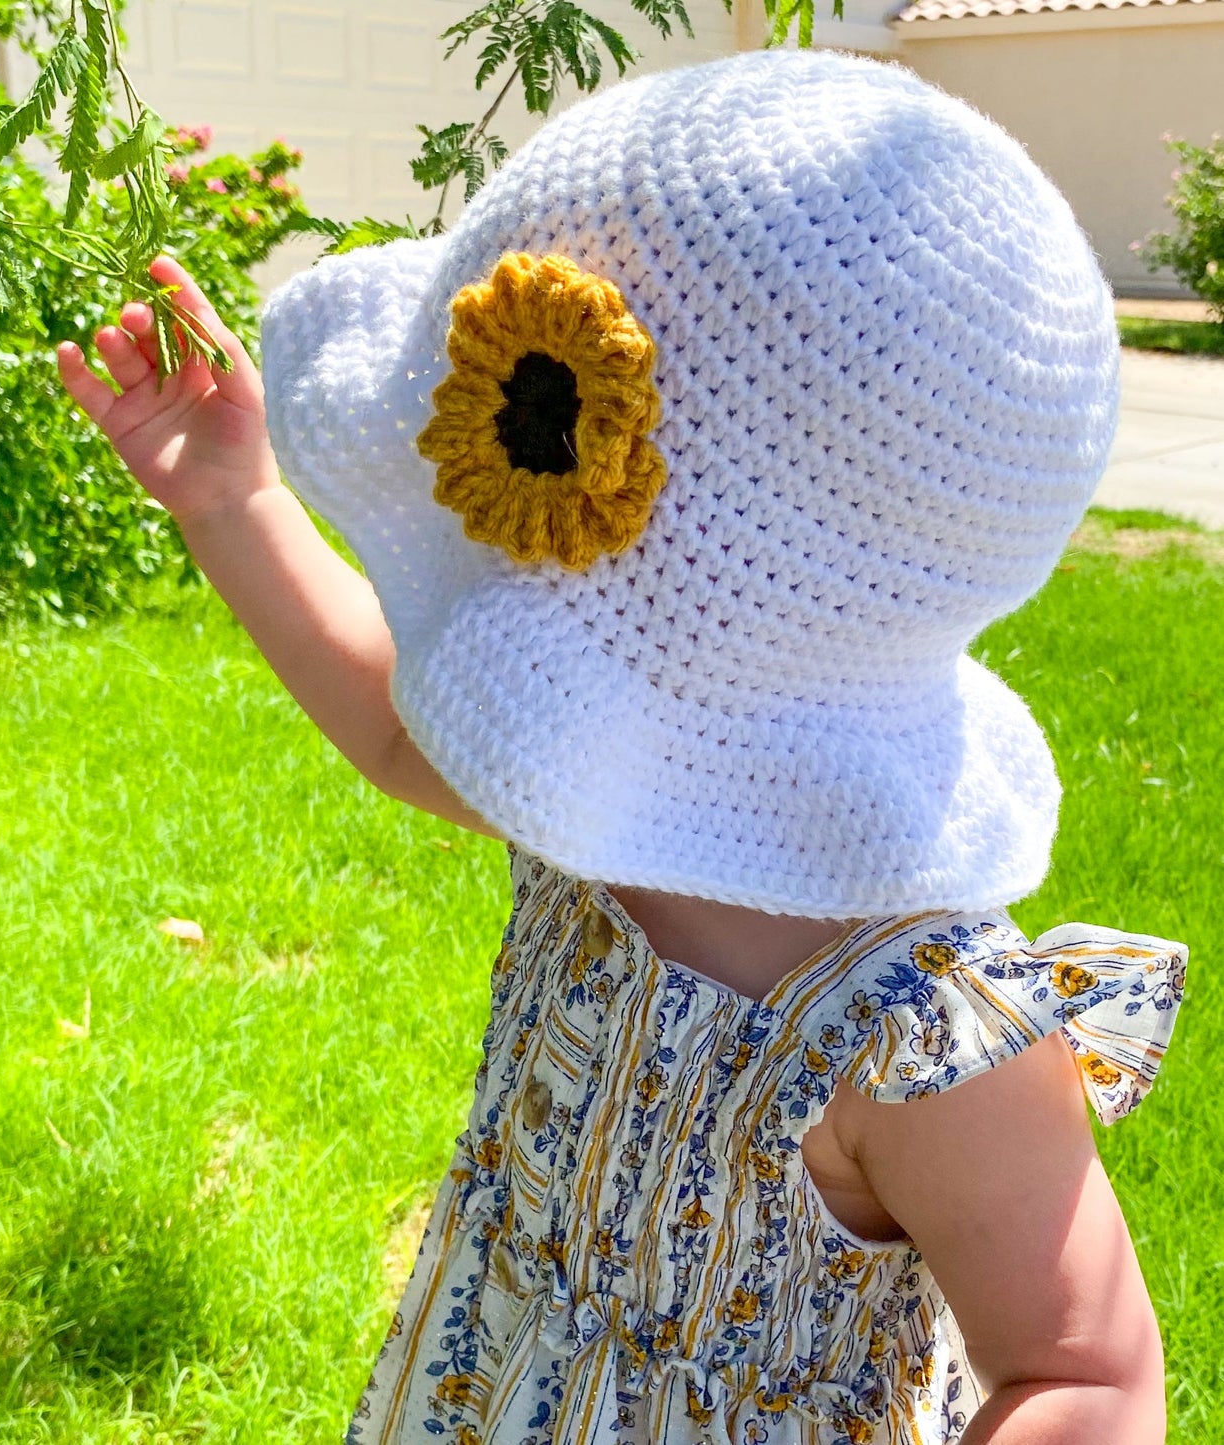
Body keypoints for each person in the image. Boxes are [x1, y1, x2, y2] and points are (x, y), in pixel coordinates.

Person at [57, 49, 1187, 1445]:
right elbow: (391, 730)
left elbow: (1084, 1367)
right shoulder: (606, 795)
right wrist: (230, 499)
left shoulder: (917, 1028)